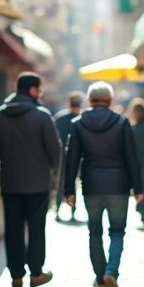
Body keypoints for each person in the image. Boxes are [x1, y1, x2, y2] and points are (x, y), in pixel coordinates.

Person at [64, 82, 143, 287]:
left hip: (91, 186)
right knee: (117, 232)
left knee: (94, 232)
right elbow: (132, 158)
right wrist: (139, 188)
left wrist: (68, 189)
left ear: (90, 101)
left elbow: (71, 158)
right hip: (118, 186)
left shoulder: (77, 124)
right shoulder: (122, 122)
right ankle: (111, 272)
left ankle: (100, 279)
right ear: (110, 100)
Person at [0, 72, 60, 287]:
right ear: (33, 90)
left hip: (10, 182)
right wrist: (53, 173)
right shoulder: (42, 115)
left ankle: (16, 274)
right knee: (36, 228)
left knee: (13, 227)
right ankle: (36, 273)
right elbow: (55, 149)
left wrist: (5, 155)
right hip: (38, 182)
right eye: (40, 90)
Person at [53, 92, 84, 221]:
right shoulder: (81, 119)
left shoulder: (60, 117)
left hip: (60, 156)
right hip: (77, 157)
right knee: (74, 183)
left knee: (60, 184)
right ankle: (72, 211)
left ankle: (58, 210)